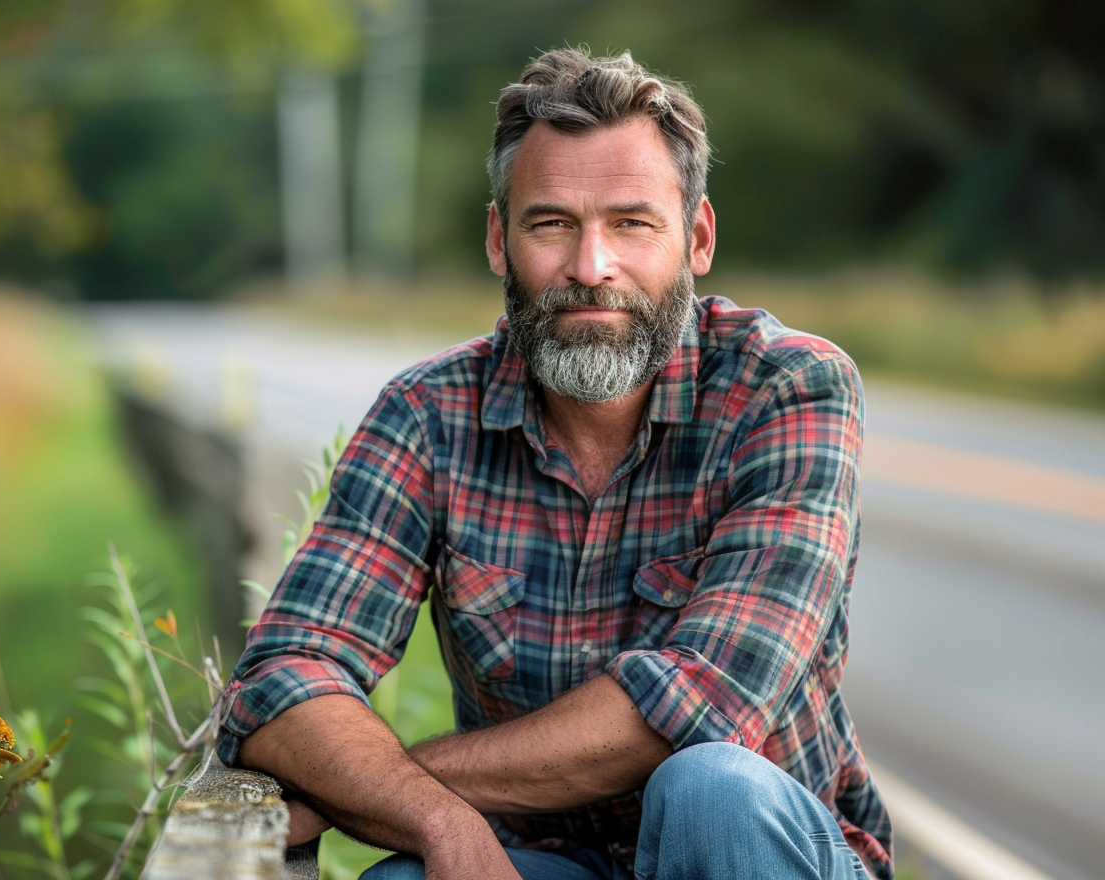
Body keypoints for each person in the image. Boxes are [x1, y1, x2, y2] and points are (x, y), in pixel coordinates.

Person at [213, 47, 893, 880]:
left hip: (752, 854)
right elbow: (284, 674)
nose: (590, 268)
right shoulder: (427, 416)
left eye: (632, 224)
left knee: (710, 786)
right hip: (547, 862)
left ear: (698, 239)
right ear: (500, 240)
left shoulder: (789, 389)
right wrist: (439, 823)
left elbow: (705, 703)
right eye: (552, 224)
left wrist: (387, 785)